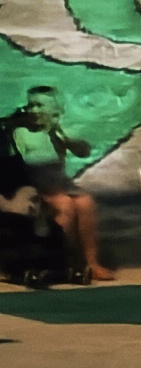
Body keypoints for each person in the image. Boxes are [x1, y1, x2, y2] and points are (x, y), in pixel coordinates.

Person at [0, 86, 111, 281]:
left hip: (61, 185)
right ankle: (65, 260)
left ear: (56, 110)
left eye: (40, 106)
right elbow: (26, 162)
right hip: (36, 186)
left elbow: (83, 151)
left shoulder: (61, 132)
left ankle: (91, 262)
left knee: (85, 203)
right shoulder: (22, 132)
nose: (34, 111)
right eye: (31, 105)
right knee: (64, 205)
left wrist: (64, 137)